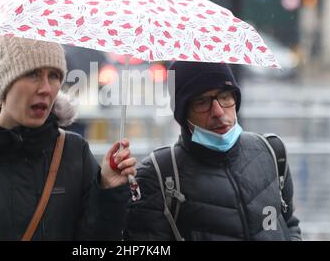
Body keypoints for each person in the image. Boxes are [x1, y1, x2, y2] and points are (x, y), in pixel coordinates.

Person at [0, 35, 136, 240]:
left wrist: (109, 190)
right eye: (33, 74)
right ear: (4, 83)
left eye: (54, 76)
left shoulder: (73, 152)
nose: (46, 88)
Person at [123, 61, 301, 241]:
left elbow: (289, 224)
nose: (218, 111)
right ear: (183, 114)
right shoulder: (159, 175)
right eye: (201, 102)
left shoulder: (271, 151)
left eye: (225, 97)